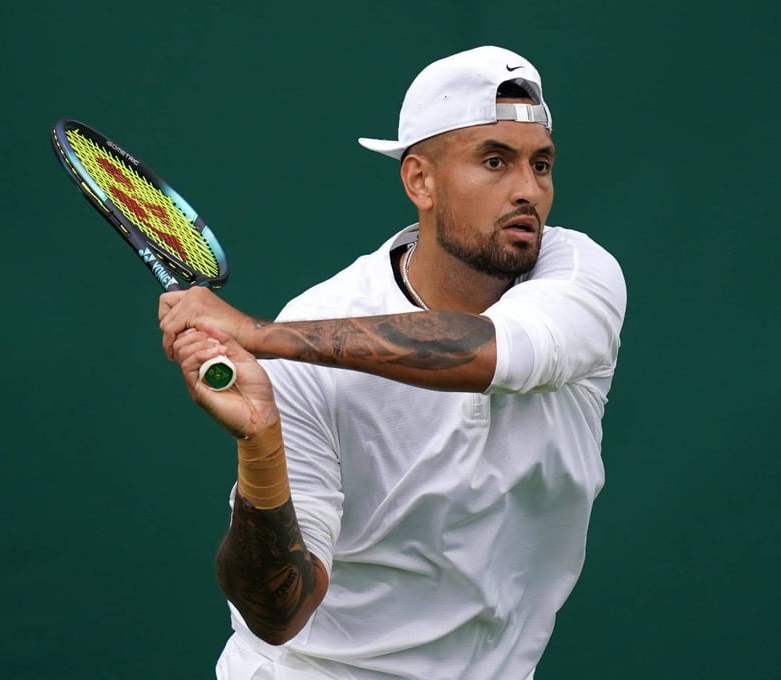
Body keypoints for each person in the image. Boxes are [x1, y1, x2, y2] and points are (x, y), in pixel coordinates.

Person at [158, 45, 627, 680]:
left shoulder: (579, 275)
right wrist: (260, 444)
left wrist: (261, 335)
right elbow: (278, 616)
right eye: (495, 161)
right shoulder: (310, 330)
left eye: (540, 165)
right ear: (420, 181)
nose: (528, 190)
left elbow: (490, 351)